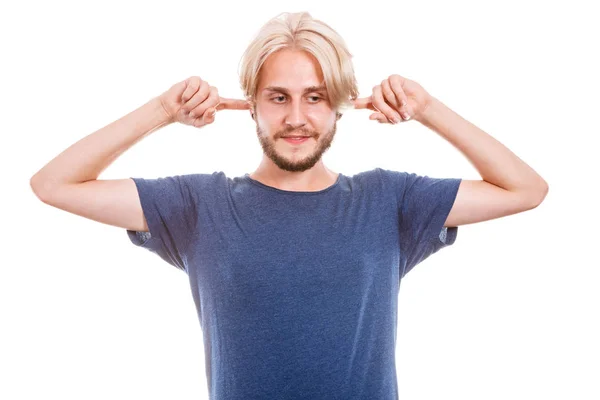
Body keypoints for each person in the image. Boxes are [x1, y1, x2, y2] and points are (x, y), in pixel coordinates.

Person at [30, 11, 548, 400]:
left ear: (343, 106)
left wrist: (428, 108)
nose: (296, 117)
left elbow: (525, 189)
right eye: (278, 97)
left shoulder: (390, 200)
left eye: (316, 97)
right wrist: (164, 110)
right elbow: (54, 184)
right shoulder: (199, 205)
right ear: (249, 104)